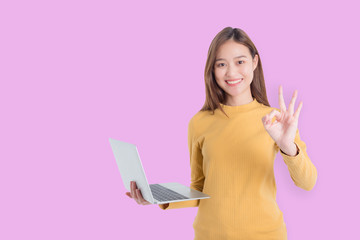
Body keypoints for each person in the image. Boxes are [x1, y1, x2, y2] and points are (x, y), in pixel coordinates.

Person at [125, 27, 318, 240]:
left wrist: (287, 146)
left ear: (255, 62)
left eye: (240, 62)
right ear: (212, 69)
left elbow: (307, 182)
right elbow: (199, 188)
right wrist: (157, 198)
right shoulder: (199, 122)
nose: (231, 73)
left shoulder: (276, 120)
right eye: (221, 64)